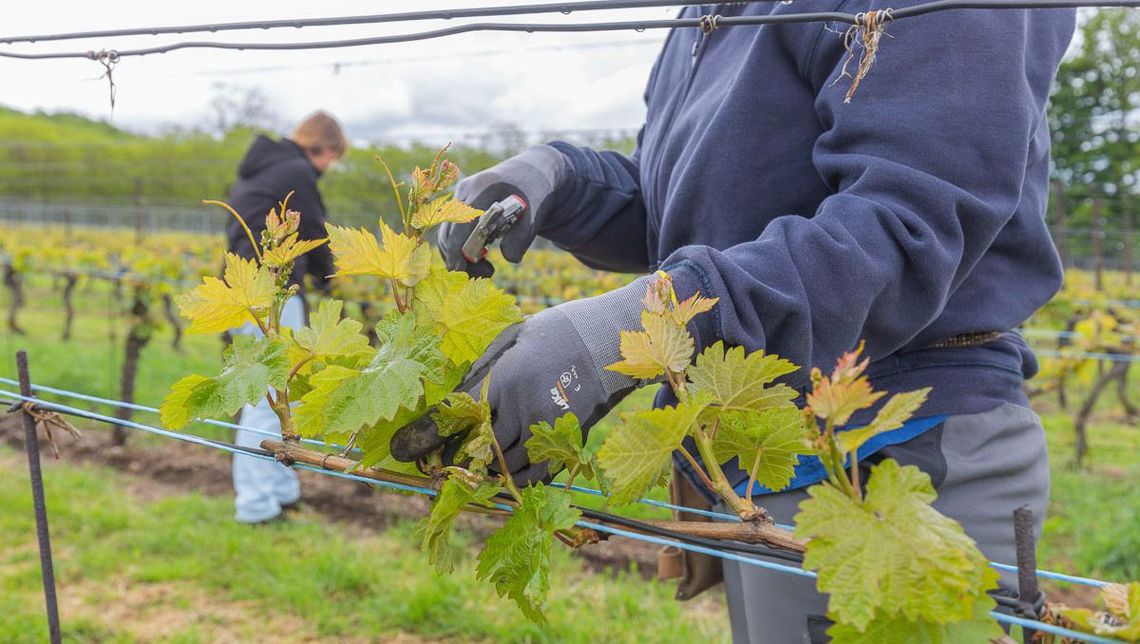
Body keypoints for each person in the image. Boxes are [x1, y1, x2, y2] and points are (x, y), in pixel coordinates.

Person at [395, 3, 1075, 641]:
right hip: (755, 450)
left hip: (895, 450)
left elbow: (907, 223)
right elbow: (692, 211)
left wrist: (646, 321)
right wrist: (562, 180)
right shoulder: (708, 12)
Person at [225, 111, 345, 524]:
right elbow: (314, 228)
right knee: (266, 401)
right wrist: (327, 280)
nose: (329, 168)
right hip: (269, 296)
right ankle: (256, 507)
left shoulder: (263, 170)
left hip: (247, 293)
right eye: (333, 159)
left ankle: (282, 491)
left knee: (280, 397)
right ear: (324, 148)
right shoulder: (296, 170)